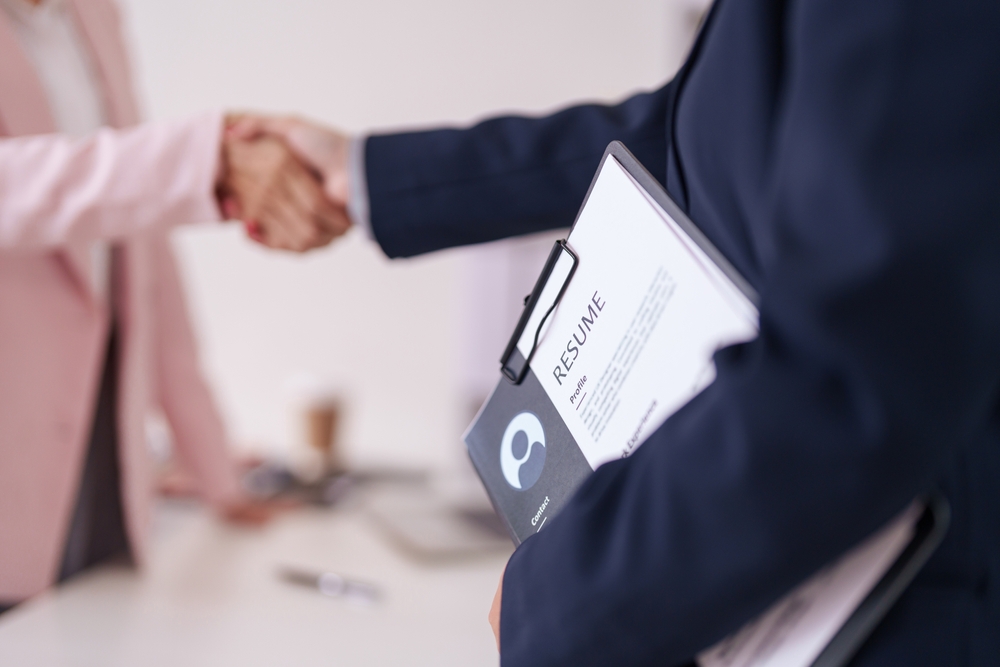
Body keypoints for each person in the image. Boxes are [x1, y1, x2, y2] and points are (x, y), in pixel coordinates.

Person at [234, 0, 999, 664]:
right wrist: (370, 177)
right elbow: (696, 122)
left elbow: (852, 371)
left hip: (887, 608)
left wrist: (567, 592)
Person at [0, 0, 350, 612]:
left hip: (96, 434)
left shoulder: (95, 15)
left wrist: (215, 469)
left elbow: (142, 238)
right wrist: (204, 158)